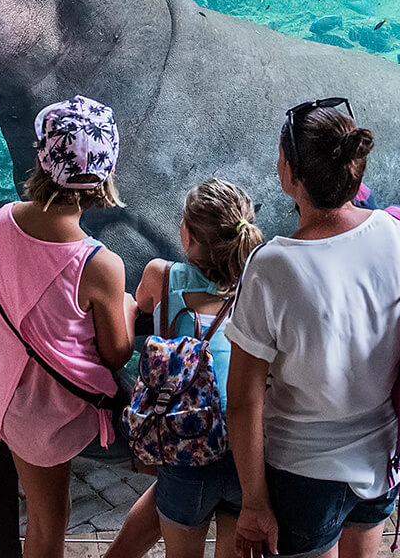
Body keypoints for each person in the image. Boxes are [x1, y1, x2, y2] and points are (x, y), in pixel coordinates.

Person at [226, 97, 400, 558]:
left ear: (292, 175)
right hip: (384, 461)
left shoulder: (273, 264)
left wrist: (255, 504)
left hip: (303, 474)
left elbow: (243, 400)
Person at [0, 95, 136, 558]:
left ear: (42, 158)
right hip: (67, 413)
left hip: (14, 404)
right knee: (53, 526)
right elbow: (116, 354)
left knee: (46, 520)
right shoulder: (100, 264)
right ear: (105, 174)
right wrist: (125, 308)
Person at [110, 179, 266, 558]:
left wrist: (131, 309)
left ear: (187, 234)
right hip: (247, 453)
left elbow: (139, 305)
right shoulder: (258, 285)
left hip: (186, 447)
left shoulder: (161, 276)